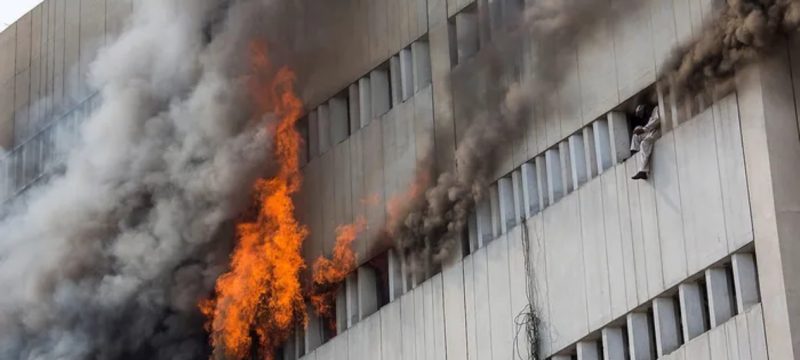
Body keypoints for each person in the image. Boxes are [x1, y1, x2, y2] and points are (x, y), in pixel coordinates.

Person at [630, 104, 660, 180]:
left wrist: (644, 129)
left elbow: (657, 121)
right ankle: (634, 152)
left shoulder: (656, 109)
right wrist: (640, 130)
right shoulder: (649, 117)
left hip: (659, 130)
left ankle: (643, 171)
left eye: (643, 114)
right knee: (636, 135)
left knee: (644, 143)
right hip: (651, 131)